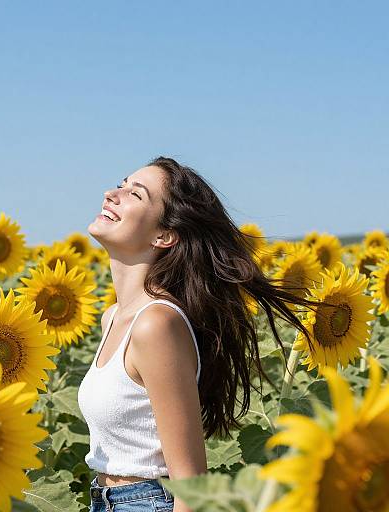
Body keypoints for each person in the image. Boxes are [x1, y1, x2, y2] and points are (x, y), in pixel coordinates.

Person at [78, 156, 320, 512]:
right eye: (122, 183)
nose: (112, 194)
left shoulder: (156, 324)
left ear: (164, 235)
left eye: (136, 193)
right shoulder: (113, 317)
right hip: (106, 500)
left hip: (147, 503)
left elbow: (191, 485)